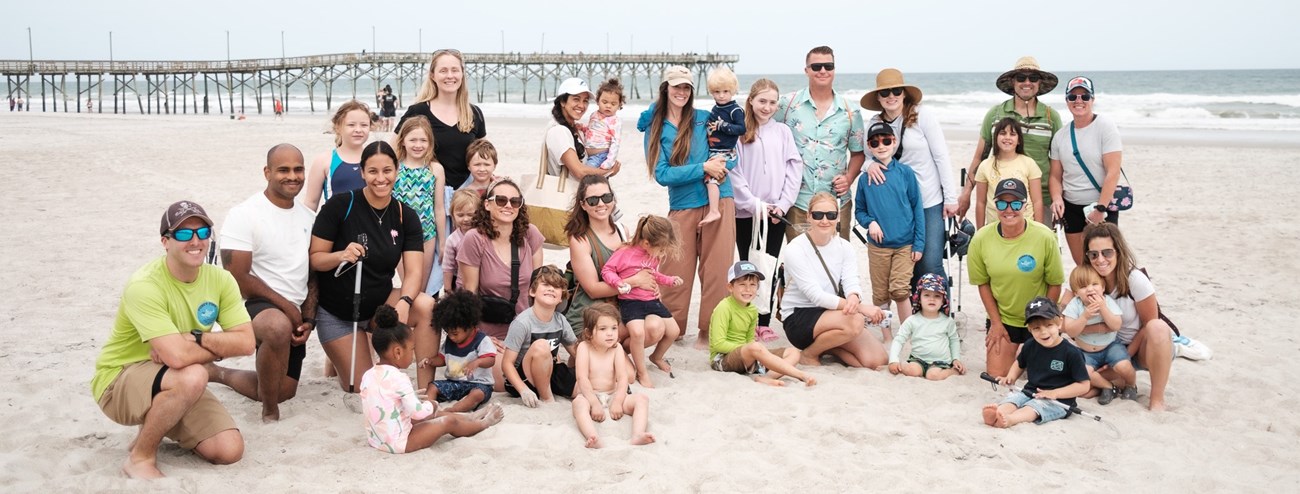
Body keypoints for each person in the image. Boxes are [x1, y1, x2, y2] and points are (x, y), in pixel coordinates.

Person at [91, 200, 256, 479]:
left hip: (173, 374)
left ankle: (157, 419)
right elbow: (179, 357)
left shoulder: (220, 279)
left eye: (203, 233)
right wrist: (208, 347)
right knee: (192, 375)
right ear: (165, 241)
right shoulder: (144, 285)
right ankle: (140, 457)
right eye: (183, 234)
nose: (195, 241)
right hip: (119, 378)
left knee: (229, 450)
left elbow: (247, 343)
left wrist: (194, 339)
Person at [209, 144, 317, 422]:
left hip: (293, 309)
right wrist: (287, 309)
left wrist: (308, 317)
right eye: (283, 170)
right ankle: (270, 412)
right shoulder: (245, 213)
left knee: (284, 390)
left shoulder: (309, 217)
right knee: (276, 326)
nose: (292, 176)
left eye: (298, 169)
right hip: (254, 306)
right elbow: (238, 277)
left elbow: (314, 272)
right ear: (267, 172)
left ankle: (217, 373)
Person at [309, 141, 425, 392]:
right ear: (362, 172)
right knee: (359, 387)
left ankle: (427, 387)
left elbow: (415, 271)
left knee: (425, 305)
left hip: (378, 308)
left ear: (397, 171)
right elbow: (316, 258)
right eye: (373, 171)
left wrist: (404, 301)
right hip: (339, 314)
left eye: (387, 171)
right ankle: (340, 355)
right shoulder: (340, 205)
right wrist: (341, 255)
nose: (380, 178)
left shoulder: (406, 215)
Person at [642, 65, 737, 349]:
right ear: (666, 89)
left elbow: (730, 156)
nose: (682, 92)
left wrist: (718, 167)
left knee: (717, 271)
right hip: (682, 205)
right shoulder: (655, 127)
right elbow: (662, 174)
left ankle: (709, 332)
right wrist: (702, 168)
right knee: (675, 270)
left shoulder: (705, 119)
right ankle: (674, 329)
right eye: (676, 86)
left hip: (720, 198)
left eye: (687, 87)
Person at [360, 305, 504, 454]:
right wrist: (432, 405)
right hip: (400, 443)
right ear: (397, 352)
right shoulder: (399, 378)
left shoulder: (368, 375)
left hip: (377, 440)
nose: (413, 353)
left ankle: (470, 417)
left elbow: (381, 401)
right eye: (412, 349)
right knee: (446, 422)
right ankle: (483, 424)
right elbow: (419, 414)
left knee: (431, 416)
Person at [862, 68, 957, 288]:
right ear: (878, 98)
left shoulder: (923, 116)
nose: (891, 96)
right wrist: (869, 166)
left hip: (929, 200)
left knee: (930, 262)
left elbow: (941, 156)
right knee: (906, 263)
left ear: (904, 93)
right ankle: (916, 316)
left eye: (896, 90)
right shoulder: (875, 122)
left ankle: (941, 317)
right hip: (897, 207)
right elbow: (867, 156)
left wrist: (951, 198)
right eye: (885, 93)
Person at [967, 178, 1065, 377]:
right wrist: (995, 323)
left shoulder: (1045, 236)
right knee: (997, 374)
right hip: (1004, 318)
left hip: (1038, 316)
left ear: (1025, 205)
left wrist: (1044, 322)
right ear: (995, 205)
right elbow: (983, 283)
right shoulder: (980, 239)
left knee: (1044, 376)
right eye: (1002, 203)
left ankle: (1031, 351)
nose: (1008, 209)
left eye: (1016, 203)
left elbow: (1055, 283)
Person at [779, 191, 887, 368]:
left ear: (838, 218)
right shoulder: (795, 249)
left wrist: (853, 297)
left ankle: (828, 347)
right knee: (856, 321)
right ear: (808, 216)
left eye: (831, 215)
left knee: (876, 360)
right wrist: (860, 308)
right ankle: (809, 354)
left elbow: (851, 280)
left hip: (832, 313)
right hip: (799, 315)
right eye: (818, 215)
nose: (824, 220)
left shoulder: (845, 247)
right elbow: (816, 296)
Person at [730, 78, 802, 337]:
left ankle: (763, 322)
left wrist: (782, 205)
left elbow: (794, 167)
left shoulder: (782, 131)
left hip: (775, 214)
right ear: (751, 101)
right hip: (747, 212)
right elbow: (734, 171)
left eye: (773, 102)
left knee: (768, 265)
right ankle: (746, 319)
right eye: (762, 101)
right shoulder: (740, 132)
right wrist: (753, 203)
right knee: (748, 265)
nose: (767, 107)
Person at [1076, 222, 1174, 411]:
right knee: (1082, 389)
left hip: (1137, 350)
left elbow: (1149, 324)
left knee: (1158, 327)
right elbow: (1066, 315)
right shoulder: (1087, 280)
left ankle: (1157, 400)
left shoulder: (1134, 279)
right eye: (1093, 254)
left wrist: (1126, 356)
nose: (1100, 259)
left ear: (1118, 252)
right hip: (1102, 349)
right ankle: (1115, 385)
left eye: (1107, 252)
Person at [775, 46, 865, 241]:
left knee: (835, 264)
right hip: (797, 201)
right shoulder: (786, 105)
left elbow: (858, 153)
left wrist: (849, 178)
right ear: (806, 70)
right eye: (816, 66)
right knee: (799, 263)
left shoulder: (851, 112)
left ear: (834, 69)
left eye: (828, 66)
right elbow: (765, 135)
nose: (822, 71)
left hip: (836, 203)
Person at [959, 56, 1061, 220]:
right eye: (1021, 77)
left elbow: (1059, 161)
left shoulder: (1051, 117)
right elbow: (980, 157)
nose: (1027, 82)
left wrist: (1058, 197)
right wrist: (966, 193)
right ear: (1013, 82)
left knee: (1040, 243)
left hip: (1042, 198)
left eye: (1033, 78)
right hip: (1001, 199)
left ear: (1039, 83)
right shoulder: (995, 114)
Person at [562, 175, 660, 332]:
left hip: (621, 309)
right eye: (593, 200)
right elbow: (592, 290)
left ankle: (615, 354)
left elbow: (637, 267)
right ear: (583, 205)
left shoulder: (623, 231)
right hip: (589, 315)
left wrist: (651, 284)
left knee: (656, 328)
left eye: (606, 197)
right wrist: (635, 282)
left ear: (613, 200)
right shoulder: (579, 240)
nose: (601, 204)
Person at [854, 121, 924, 329]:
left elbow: (917, 208)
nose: (881, 146)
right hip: (878, 247)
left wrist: (919, 244)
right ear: (869, 146)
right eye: (875, 143)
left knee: (900, 290)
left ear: (894, 142)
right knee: (880, 292)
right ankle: (886, 336)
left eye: (886, 140)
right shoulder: (865, 178)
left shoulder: (905, 173)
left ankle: (907, 332)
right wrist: (870, 222)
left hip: (905, 245)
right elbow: (859, 211)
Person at [392, 116, 445, 388]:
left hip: (427, 236)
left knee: (421, 294)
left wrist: (443, 241)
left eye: (423, 140)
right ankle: (404, 343)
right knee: (408, 291)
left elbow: (438, 208)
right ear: (402, 141)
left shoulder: (435, 168)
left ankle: (416, 343)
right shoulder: (396, 168)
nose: (418, 144)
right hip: (400, 237)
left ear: (430, 143)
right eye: (412, 139)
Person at [457, 178, 545, 342]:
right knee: (499, 364)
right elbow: (469, 292)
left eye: (515, 201)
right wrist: (477, 337)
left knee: (543, 356)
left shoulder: (530, 234)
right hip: (489, 332)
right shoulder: (474, 239)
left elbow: (538, 286)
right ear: (487, 204)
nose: (508, 206)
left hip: (526, 328)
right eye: (501, 200)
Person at [601, 215, 683, 388]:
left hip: (651, 300)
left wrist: (669, 280)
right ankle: (642, 371)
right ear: (646, 243)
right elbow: (607, 270)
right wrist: (619, 283)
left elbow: (654, 275)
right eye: (661, 250)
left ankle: (656, 357)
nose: (662, 255)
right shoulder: (624, 253)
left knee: (674, 331)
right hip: (631, 301)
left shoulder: (652, 256)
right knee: (637, 333)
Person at [1050, 76, 1124, 266]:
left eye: (1084, 96)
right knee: (1083, 265)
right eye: (1073, 97)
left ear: (1093, 99)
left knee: (1105, 263)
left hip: (1100, 206)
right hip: (1071, 208)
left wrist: (1100, 209)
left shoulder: (1105, 127)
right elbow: (1055, 176)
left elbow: (1113, 172)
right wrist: (1057, 198)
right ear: (1067, 101)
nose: (1079, 101)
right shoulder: (1060, 136)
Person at [982, 297, 1089, 428]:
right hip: (1030, 391)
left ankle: (1009, 419)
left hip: (1058, 401)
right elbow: (1019, 363)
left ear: (1059, 323)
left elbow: (1084, 385)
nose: (1043, 332)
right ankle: (997, 413)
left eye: (1049, 325)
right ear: (1029, 329)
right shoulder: (1030, 345)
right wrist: (1011, 377)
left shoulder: (1071, 353)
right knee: (1014, 399)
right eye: (1036, 328)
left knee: (1033, 408)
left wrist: (1055, 393)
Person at [710, 261, 817, 386]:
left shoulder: (753, 310)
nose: (748, 289)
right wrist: (749, 349)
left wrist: (754, 351)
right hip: (722, 359)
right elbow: (718, 344)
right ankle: (800, 375)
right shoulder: (724, 307)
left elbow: (749, 340)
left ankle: (766, 377)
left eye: (753, 284)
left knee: (793, 352)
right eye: (742, 284)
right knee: (755, 347)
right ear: (730, 287)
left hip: (748, 354)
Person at [395, 49, 487, 189]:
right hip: (424, 190)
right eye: (443, 71)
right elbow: (394, 149)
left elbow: (484, 154)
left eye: (455, 70)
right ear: (432, 75)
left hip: (465, 192)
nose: (450, 76)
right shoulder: (417, 111)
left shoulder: (473, 113)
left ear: (462, 74)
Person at [571, 302, 655, 448]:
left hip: (612, 395)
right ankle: (593, 437)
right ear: (589, 332)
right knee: (578, 404)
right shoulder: (584, 348)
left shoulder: (616, 349)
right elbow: (582, 378)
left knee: (642, 399)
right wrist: (594, 403)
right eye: (603, 329)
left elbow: (622, 378)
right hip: (590, 395)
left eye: (614, 328)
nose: (610, 333)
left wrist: (617, 401)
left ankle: (638, 434)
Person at [502, 265, 579, 407]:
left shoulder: (560, 320)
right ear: (532, 291)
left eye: (556, 287)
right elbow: (507, 364)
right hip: (524, 379)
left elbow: (577, 351)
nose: (551, 289)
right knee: (541, 346)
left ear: (561, 298)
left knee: (582, 389)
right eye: (546, 284)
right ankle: (547, 399)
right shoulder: (522, 322)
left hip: (548, 372)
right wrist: (523, 390)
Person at [1061, 265, 1134, 405]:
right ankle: (1108, 387)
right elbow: (1070, 331)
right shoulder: (1075, 305)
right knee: (1084, 373)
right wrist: (1084, 317)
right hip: (1086, 352)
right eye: (1083, 287)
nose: (1090, 289)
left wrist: (1103, 308)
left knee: (1124, 366)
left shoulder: (1106, 301)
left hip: (1111, 346)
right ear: (1076, 293)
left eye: (1095, 284)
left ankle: (1131, 385)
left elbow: (1116, 325)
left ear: (1103, 287)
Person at [422, 290, 496, 412]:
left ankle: (452, 410)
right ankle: (427, 410)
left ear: (470, 325)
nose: (451, 337)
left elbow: (491, 360)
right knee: (432, 386)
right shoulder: (450, 341)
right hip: (454, 383)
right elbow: (442, 359)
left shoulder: (481, 340)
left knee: (477, 394)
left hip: (478, 384)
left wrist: (477, 362)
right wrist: (430, 361)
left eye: (455, 333)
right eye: (448, 333)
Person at [887, 274, 964, 380]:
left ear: (943, 300)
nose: (931, 299)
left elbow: (954, 340)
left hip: (941, 362)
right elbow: (899, 339)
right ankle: (891, 366)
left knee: (932, 375)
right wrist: (893, 360)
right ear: (919, 298)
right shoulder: (912, 320)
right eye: (927, 295)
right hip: (918, 359)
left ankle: (952, 371)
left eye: (937, 296)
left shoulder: (947, 321)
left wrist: (956, 359)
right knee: (912, 371)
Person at [973, 117, 1043, 227]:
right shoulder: (985, 166)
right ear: (995, 138)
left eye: (1012, 134)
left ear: (1019, 140)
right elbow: (980, 203)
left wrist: (1039, 229)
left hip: (1025, 226)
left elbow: (1037, 201)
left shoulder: (1029, 163)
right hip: (995, 226)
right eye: (1003, 133)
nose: (1007, 137)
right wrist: (980, 230)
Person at [546, 78, 621, 179]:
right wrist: (609, 171)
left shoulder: (576, 129)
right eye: (576, 99)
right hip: (570, 192)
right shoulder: (558, 131)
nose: (581, 105)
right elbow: (580, 172)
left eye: (585, 101)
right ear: (563, 102)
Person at [304, 101, 372, 211]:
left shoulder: (375, 159)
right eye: (351, 125)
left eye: (364, 125)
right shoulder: (324, 161)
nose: (358, 130)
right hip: (335, 226)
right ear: (338, 127)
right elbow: (311, 202)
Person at [702, 67, 745, 227]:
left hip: (726, 152)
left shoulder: (735, 110)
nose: (721, 95)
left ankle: (714, 211)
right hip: (714, 150)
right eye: (717, 91)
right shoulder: (716, 108)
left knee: (711, 178)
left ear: (733, 91)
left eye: (726, 91)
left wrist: (722, 125)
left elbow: (741, 129)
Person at [441, 189, 482, 295]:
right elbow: (448, 266)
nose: (466, 219)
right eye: (460, 215)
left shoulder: (484, 235)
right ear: (453, 215)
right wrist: (447, 290)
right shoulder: (452, 240)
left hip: (485, 287)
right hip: (463, 287)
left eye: (470, 215)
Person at [583, 78, 625, 170]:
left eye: (613, 104)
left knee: (587, 176)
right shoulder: (594, 115)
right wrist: (583, 128)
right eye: (604, 102)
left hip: (601, 156)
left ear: (619, 105)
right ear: (598, 101)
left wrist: (609, 162)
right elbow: (593, 129)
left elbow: (616, 142)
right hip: (586, 154)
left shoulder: (615, 121)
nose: (608, 106)